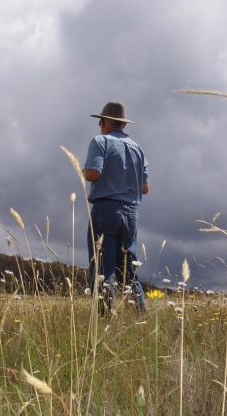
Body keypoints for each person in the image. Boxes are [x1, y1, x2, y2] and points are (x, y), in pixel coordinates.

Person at [82, 101, 149, 313]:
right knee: (129, 272)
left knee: (103, 269)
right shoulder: (138, 149)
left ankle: (103, 320)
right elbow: (145, 188)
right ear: (123, 125)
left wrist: (80, 171)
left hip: (105, 211)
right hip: (131, 213)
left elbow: (93, 173)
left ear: (103, 122)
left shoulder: (100, 141)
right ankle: (141, 316)